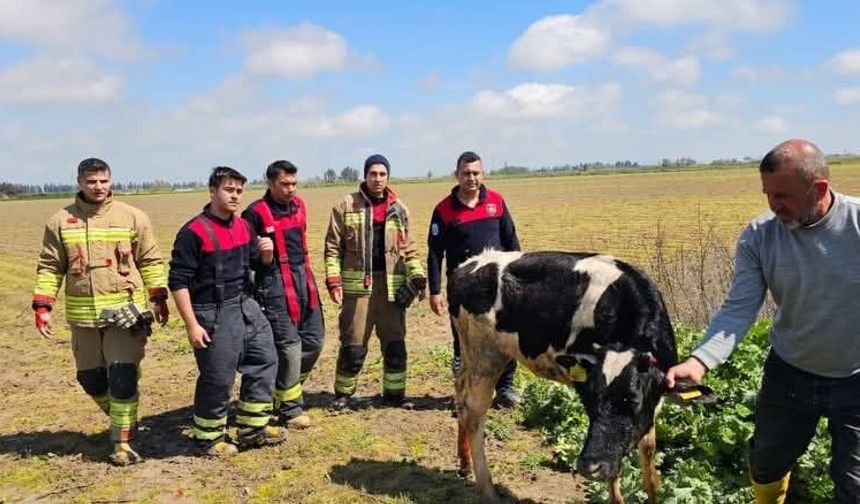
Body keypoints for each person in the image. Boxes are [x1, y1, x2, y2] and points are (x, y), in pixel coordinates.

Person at [666, 139, 860, 503]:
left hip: (856, 378)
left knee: (856, 485)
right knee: (766, 463)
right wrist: (699, 360)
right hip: (791, 373)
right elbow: (739, 308)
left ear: (818, 188)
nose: (773, 206)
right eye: (768, 194)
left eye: (783, 196)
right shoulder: (759, 236)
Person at [32, 157, 169, 466]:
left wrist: (158, 297)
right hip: (83, 319)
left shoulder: (133, 217)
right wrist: (43, 305)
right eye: (92, 182)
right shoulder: (59, 221)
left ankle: (123, 443)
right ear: (80, 183)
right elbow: (51, 267)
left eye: (103, 181)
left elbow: (150, 260)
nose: (98, 187)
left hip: (125, 314)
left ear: (111, 181)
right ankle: (125, 417)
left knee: (122, 377)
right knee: (90, 380)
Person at [169, 167, 286, 456]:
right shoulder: (193, 232)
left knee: (265, 359)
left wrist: (267, 254)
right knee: (218, 376)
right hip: (212, 311)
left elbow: (258, 265)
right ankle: (208, 437)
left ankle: (252, 427)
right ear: (212, 191)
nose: (235, 196)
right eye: (228, 189)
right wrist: (191, 325)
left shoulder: (244, 226)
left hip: (245, 304)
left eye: (239, 191)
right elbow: (178, 281)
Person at [323, 154, 426, 410]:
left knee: (394, 343)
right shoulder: (346, 206)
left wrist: (418, 278)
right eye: (373, 174)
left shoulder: (399, 209)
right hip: (357, 291)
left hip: (392, 288)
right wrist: (333, 281)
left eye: (382, 174)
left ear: (387, 177)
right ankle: (343, 396)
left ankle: (394, 395)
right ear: (365, 176)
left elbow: (409, 249)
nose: (377, 179)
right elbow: (333, 249)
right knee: (353, 345)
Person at [427, 151, 521, 408]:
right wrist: (435, 291)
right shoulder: (443, 210)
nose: (471, 178)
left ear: (483, 174)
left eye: (476, 173)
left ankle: (506, 388)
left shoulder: (497, 203)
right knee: (464, 340)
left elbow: (512, 243)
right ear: (456, 175)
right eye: (466, 173)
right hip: (463, 290)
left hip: (499, 287)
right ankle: (466, 389)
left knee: (504, 336)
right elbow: (435, 254)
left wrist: (519, 279)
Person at [242, 160, 325, 429]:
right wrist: (262, 257)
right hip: (274, 283)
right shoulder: (254, 214)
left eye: (294, 184)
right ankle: (290, 409)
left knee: (314, 340)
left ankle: (284, 390)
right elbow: (244, 258)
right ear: (270, 182)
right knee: (289, 347)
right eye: (284, 184)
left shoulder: (300, 206)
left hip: (304, 277)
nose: (290, 189)